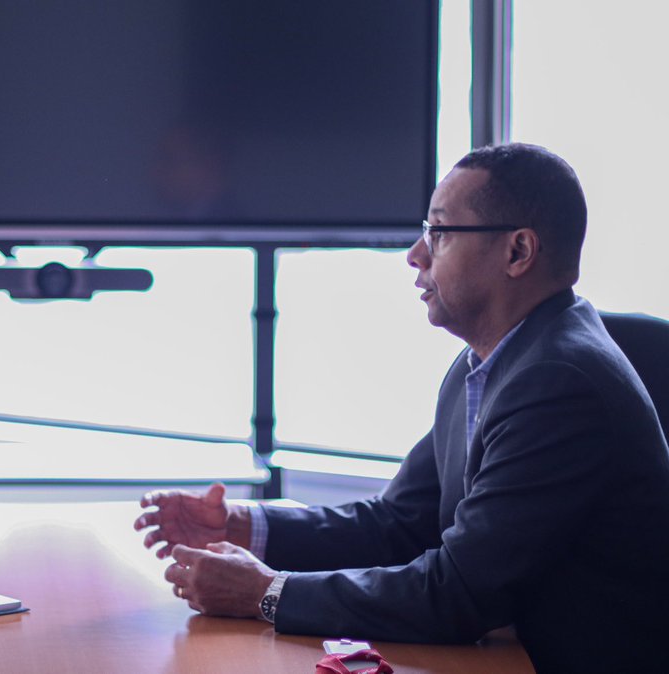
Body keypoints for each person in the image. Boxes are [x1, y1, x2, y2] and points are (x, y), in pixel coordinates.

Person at [134, 143, 669, 673]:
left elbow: (459, 593)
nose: (415, 253)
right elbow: (400, 524)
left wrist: (267, 593)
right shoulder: (486, 363)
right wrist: (241, 525)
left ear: (517, 252)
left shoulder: (558, 383)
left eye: (439, 232)